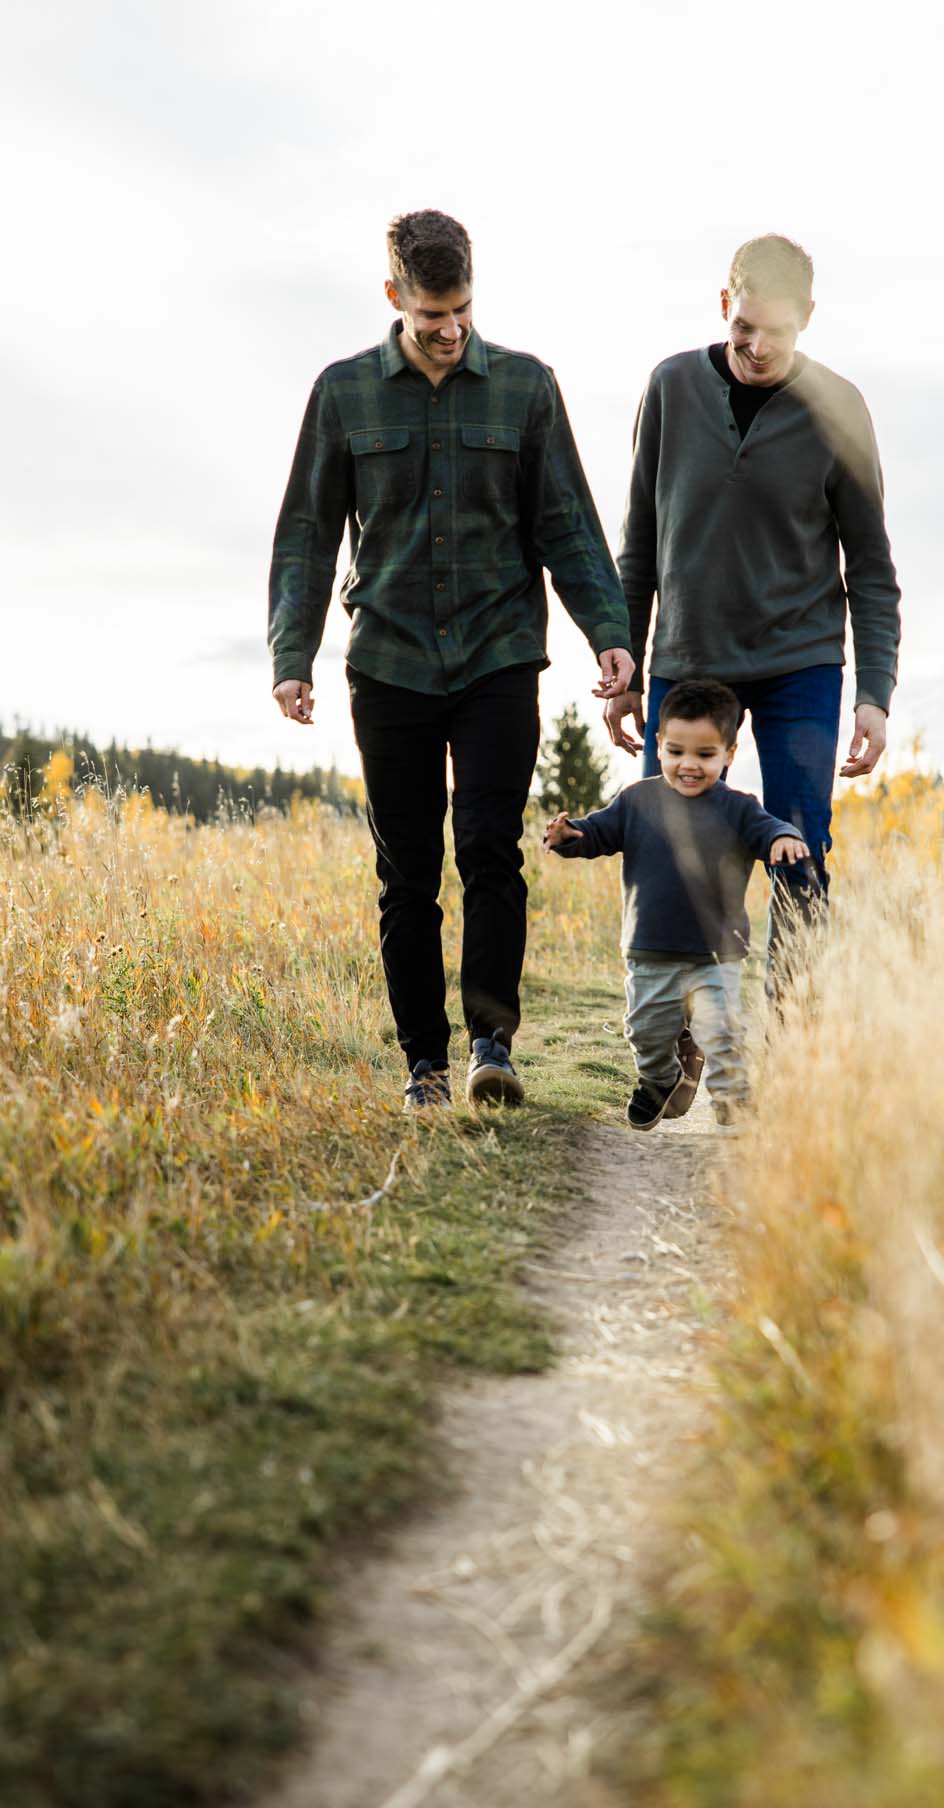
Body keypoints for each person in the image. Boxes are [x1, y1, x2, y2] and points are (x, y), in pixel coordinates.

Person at [268, 210, 635, 1112]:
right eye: (431, 311)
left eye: (462, 308)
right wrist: (292, 651)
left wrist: (610, 633)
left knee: (487, 851)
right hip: (387, 658)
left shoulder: (524, 387)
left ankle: (490, 1046)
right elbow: (309, 536)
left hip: (498, 654)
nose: (448, 328)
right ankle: (423, 1066)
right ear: (394, 295)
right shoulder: (343, 393)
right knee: (406, 873)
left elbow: (567, 524)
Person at [606, 233, 900, 980]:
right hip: (687, 658)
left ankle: (790, 1041)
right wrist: (625, 665)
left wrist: (873, 695)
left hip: (797, 662)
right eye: (743, 326)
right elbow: (639, 541)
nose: (757, 346)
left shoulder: (838, 407)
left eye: (777, 330)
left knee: (798, 844)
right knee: (671, 853)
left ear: (806, 316)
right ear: (722, 306)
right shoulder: (670, 387)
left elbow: (869, 567)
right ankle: (684, 1025)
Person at [543, 678, 807, 1130]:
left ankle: (733, 1097)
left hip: (715, 955)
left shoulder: (739, 807)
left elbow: (770, 829)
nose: (689, 765)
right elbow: (598, 832)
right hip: (650, 953)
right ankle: (660, 1080)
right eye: (677, 751)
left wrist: (786, 838)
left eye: (705, 755)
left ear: (729, 753)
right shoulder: (637, 800)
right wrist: (569, 837)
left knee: (722, 1031)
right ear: (659, 745)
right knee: (645, 1032)